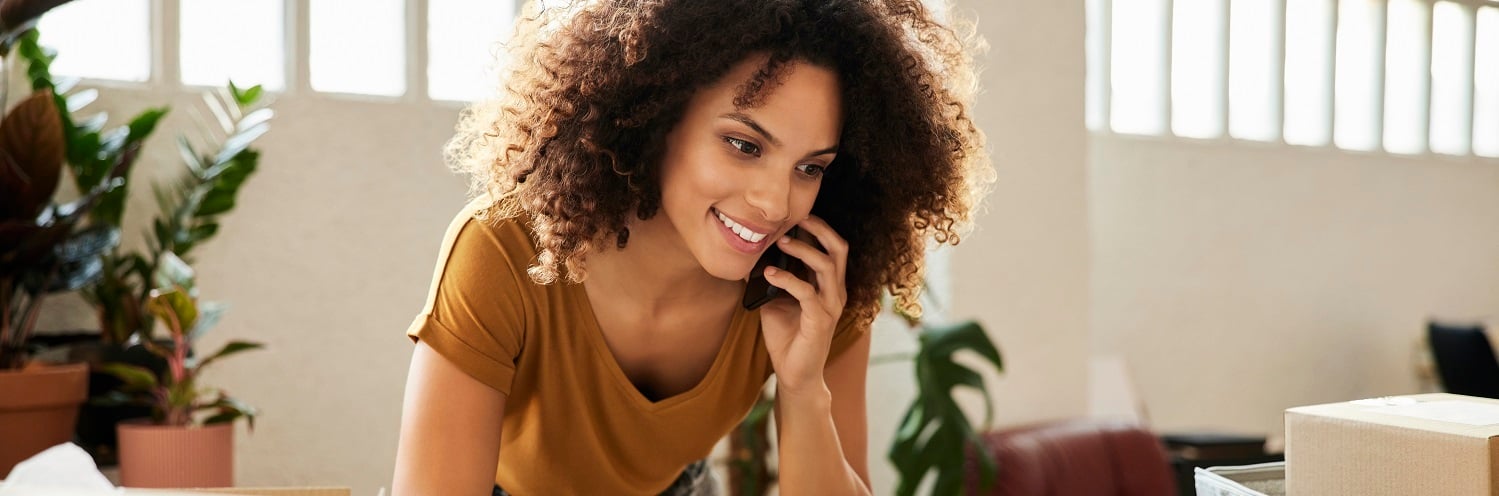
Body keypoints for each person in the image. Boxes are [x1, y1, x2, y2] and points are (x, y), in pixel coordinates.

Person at [392, 0, 994, 494]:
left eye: (810, 168)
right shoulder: (506, 247)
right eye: (744, 145)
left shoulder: (811, 284)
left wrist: (804, 386)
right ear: (656, 115)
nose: (774, 203)